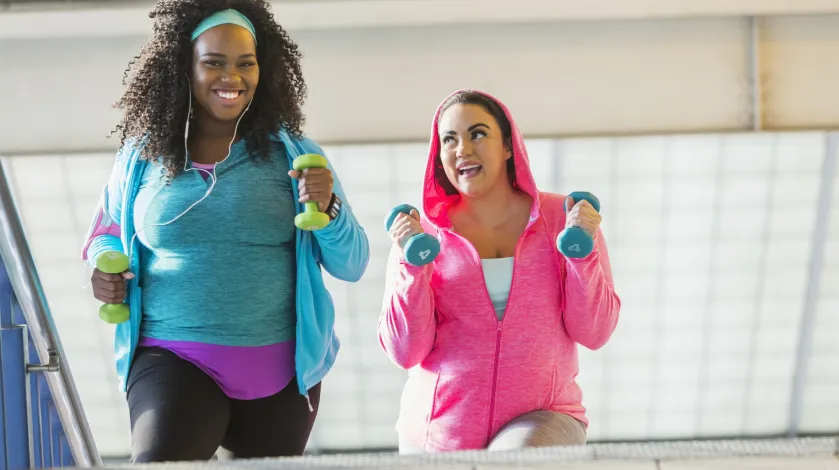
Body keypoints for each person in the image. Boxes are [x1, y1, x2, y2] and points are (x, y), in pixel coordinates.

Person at [80, 0, 369, 462]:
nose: (231, 77)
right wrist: (103, 268)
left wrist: (328, 206)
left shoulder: (295, 155)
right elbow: (106, 233)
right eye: (213, 63)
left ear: (263, 69)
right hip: (172, 356)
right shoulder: (142, 156)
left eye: (245, 64)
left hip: (281, 375)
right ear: (185, 69)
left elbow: (352, 263)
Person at [378, 89, 621, 453]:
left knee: (513, 460)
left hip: (543, 417)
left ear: (508, 146)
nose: (462, 148)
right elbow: (405, 352)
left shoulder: (566, 221)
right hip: (439, 432)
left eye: (477, 133)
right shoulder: (420, 234)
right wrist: (413, 269)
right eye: (449, 139)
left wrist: (581, 257)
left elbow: (595, 332)